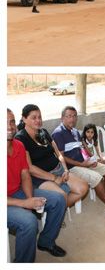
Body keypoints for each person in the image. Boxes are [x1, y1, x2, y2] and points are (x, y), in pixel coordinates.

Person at [8, 108, 67, 262]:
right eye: (4, 123)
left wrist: (29, 199)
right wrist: (24, 203)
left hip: (17, 192)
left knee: (59, 200)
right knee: (29, 222)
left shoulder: (18, 145)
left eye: (12, 121)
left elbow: (25, 174)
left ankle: (46, 242)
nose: (9, 126)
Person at [51, 106, 105, 217]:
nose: (72, 119)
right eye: (69, 116)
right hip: (72, 168)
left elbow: (82, 149)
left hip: (84, 162)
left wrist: (92, 159)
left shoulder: (75, 132)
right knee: (97, 178)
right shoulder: (58, 133)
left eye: (74, 116)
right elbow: (61, 156)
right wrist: (82, 164)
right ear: (62, 118)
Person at [15, 104, 88, 208]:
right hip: (39, 177)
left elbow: (59, 154)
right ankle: (57, 210)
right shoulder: (21, 138)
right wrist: (54, 178)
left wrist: (65, 169)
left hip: (58, 169)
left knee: (83, 187)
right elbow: (30, 168)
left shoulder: (43, 132)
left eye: (39, 117)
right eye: (34, 117)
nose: (38, 120)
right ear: (24, 119)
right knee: (61, 196)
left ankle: (59, 209)